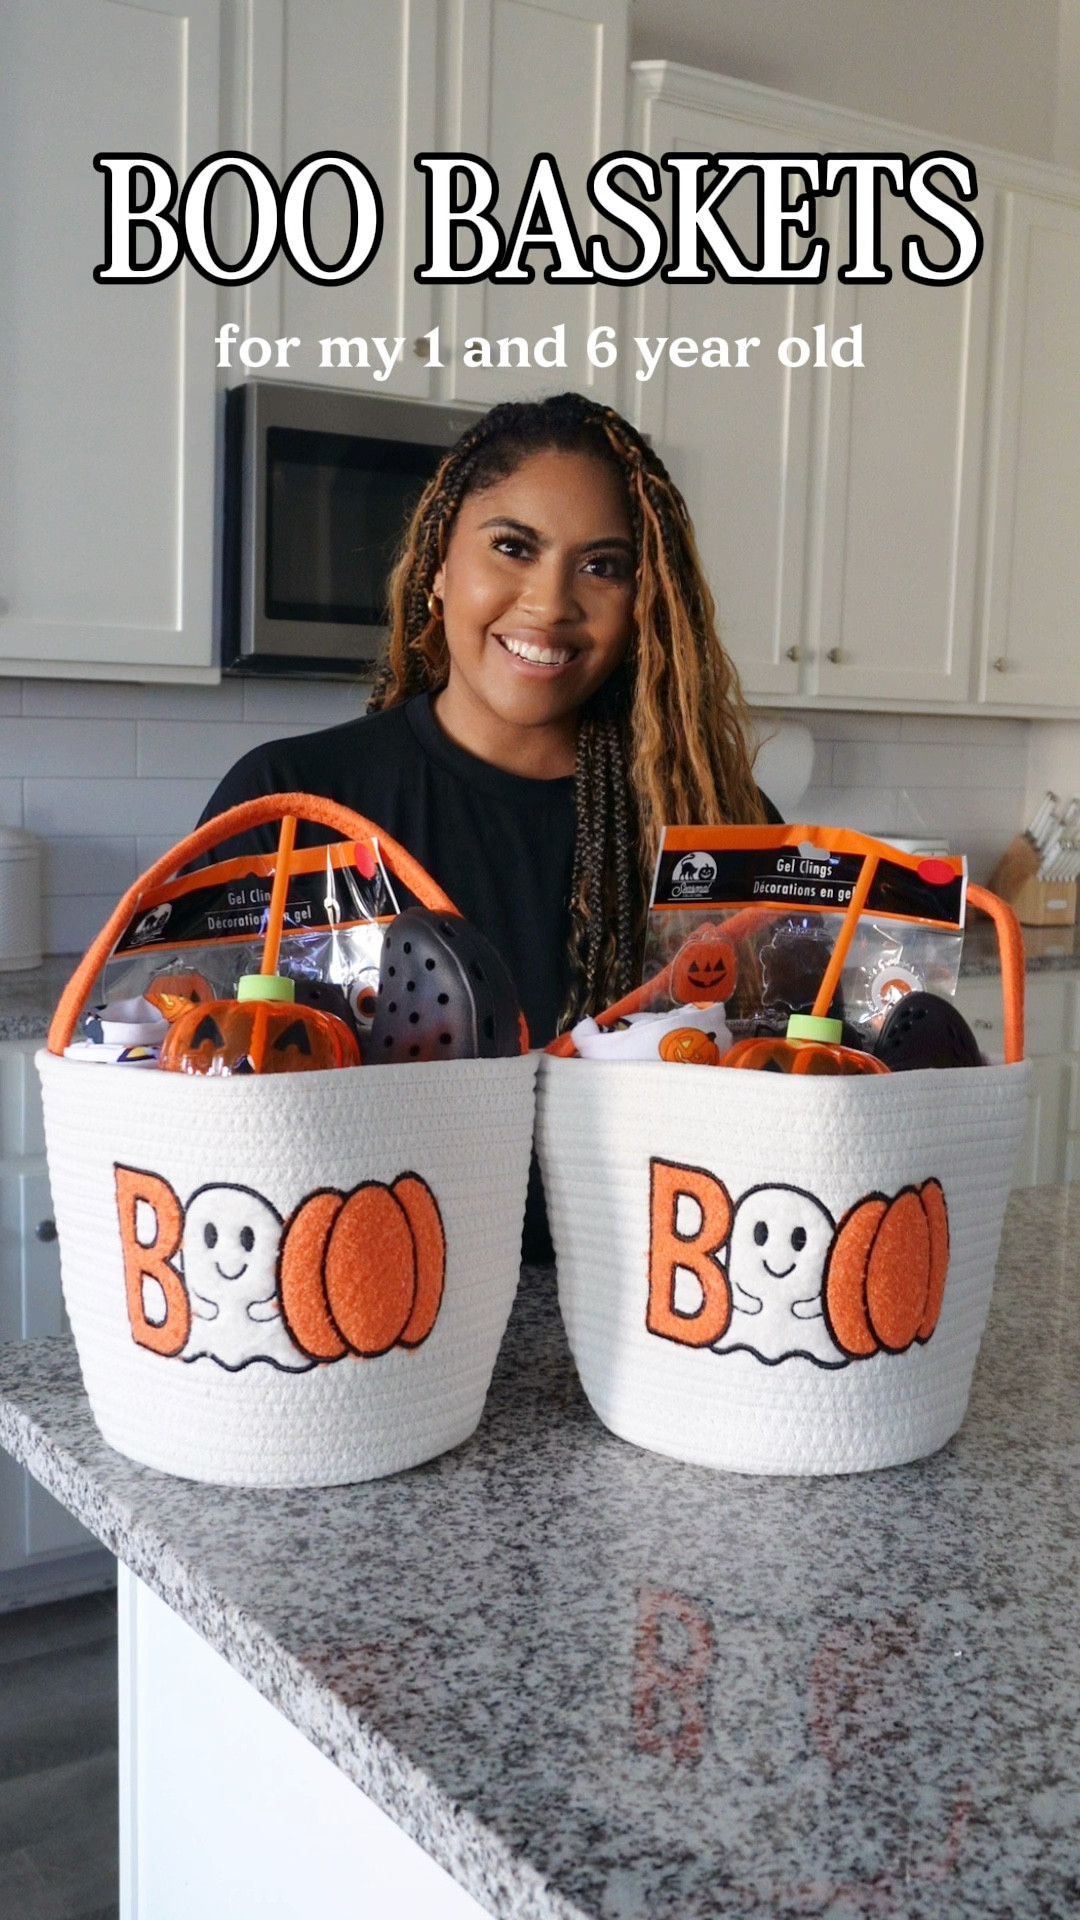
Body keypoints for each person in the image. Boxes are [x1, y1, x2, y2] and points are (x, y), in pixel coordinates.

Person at [201, 391, 779, 1055]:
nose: (551, 603)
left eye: (602, 566)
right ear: (439, 563)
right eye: (512, 547)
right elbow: (204, 1073)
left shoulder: (714, 817)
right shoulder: (289, 803)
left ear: (643, 603)